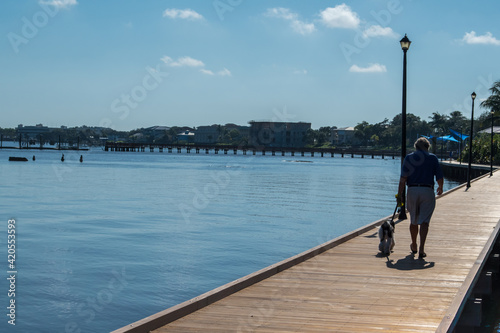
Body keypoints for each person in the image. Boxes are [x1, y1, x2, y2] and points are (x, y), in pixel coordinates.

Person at [397, 137, 443, 259]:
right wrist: (440, 187)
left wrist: (399, 195)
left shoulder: (409, 158)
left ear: (415, 147)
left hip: (412, 190)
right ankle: (422, 248)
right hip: (427, 190)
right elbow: (439, 177)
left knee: (413, 219)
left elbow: (403, 180)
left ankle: (414, 245)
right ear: (428, 147)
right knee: (425, 221)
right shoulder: (433, 158)